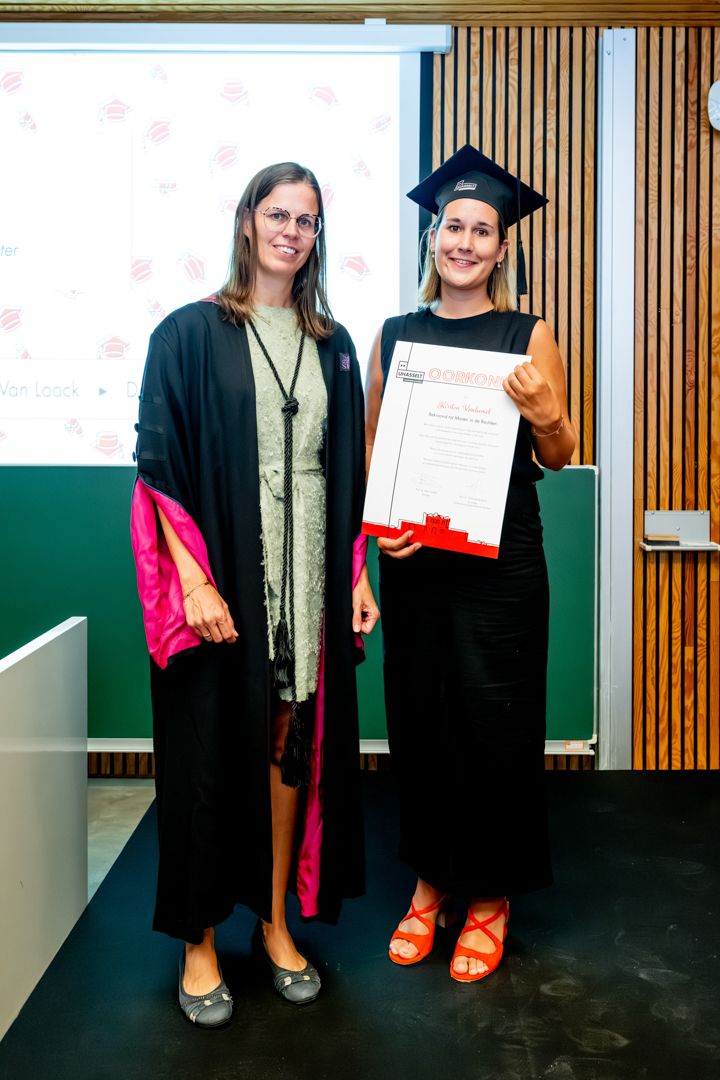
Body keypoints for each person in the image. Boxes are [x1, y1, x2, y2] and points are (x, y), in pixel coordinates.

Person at [131, 161, 378, 1027]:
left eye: (307, 221)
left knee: (288, 742)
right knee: (207, 749)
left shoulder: (333, 343)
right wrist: (194, 580)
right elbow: (157, 464)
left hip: (307, 569)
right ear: (246, 221)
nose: (291, 232)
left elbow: (346, 472)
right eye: (278, 214)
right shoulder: (188, 333)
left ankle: (275, 921)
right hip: (225, 568)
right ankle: (199, 941)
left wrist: (356, 574)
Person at [364, 145, 575, 983]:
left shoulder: (528, 335)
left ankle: (489, 895)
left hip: (503, 564)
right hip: (418, 560)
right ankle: (431, 881)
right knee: (422, 724)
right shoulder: (397, 336)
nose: (464, 242)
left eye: (481, 231)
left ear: (501, 248)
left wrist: (546, 410)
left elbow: (559, 452)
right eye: (452, 226)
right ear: (433, 239)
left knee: (497, 727)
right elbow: (376, 447)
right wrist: (381, 531)